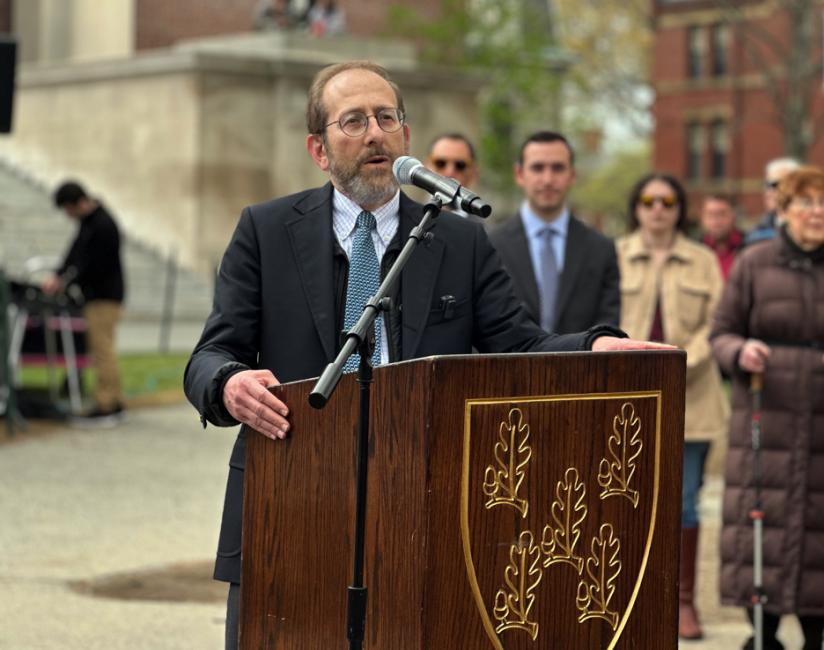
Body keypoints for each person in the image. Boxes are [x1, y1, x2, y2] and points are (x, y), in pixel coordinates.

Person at [182, 60, 666, 649]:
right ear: (319, 149)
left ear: (406, 136)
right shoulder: (266, 230)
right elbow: (212, 353)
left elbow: (519, 344)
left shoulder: (459, 240)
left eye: (386, 118)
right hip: (290, 499)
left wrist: (592, 345)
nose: (374, 134)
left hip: (416, 503)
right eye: (353, 121)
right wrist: (229, 382)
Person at [711, 165, 824, 649]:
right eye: (805, 203)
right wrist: (740, 352)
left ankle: (819, 634)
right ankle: (762, 632)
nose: (816, 213)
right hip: (766, 419)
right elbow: (721, 333)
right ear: (783, 210)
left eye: (823, 202)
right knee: (762, 519)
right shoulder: (753, 263)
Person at [615, 172, 729, 640]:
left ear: (681, 208)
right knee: (626, 498)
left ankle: (682, 602)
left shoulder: (702, 260)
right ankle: (629, 599)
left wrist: (680, 361)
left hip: (692, 397)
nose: (658, 209)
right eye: (648, 200)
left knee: (683, 501)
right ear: (636, 207)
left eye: (667, 201)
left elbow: (717, 323)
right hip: (626, 396)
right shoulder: (615, 255)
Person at [489, 131, 620, 334]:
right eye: (537, 168)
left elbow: (607, 328)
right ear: (519, 174)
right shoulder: (491, 245)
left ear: (572, 175)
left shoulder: (601, 249)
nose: (548, 179)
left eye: (557, 168)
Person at [42, 181, 125, 424]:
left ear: (77, 203)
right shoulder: (88, 223)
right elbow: (74, 253)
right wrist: (59, 275)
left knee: (102, 351)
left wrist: (67, 281)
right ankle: (112, 401)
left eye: (68, 209)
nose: (68, 215)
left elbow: (94, 265)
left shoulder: (102, 225)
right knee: (102, 350)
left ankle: (107, 405)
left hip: (104, 297)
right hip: (97, 296)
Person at [423, 132, 480, 219]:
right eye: (440, 163)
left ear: (473, 172)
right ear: (426, 167)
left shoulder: (483, 227)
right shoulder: (405, 217)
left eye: (460, 165)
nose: (449, 172)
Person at [744, 157, 799, 246]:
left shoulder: (812, 229)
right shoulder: (757, 233)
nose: (768, 192)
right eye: (766, 185)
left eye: (774, 185)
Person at [699, 193, 743, 278]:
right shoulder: (696, 251)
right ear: (702, 219)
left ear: (734, 216)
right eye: (710, 215)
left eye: (722, 214)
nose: (716, 222)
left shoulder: (749, 247)